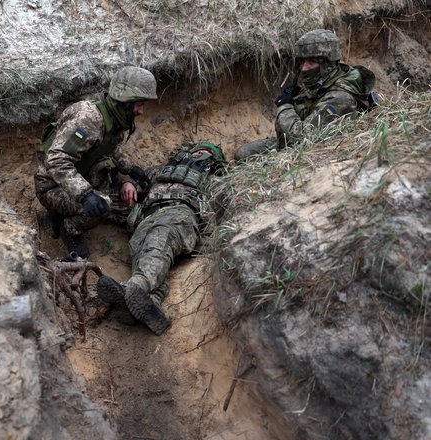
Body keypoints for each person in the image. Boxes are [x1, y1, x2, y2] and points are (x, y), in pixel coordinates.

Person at [96, 141, 228, 335]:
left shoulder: (215, 179)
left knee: (159, 239)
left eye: (208, 151)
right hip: (147, 216)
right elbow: (134, 182)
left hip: (181, 213)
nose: (200, 152)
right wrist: (128, 184)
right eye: (198, 149)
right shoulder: (159, 172)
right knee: (142, 247)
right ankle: (149, 302)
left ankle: (135, 285)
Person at [34, 66, 158, 258]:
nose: (141, 111)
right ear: (125, 100)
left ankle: (60, 215)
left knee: (126, 204)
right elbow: (57, 159)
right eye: (139, 104)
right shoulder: (88, 119)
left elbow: (109, 149)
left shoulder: (115, 119)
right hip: (51, 186)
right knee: (103, 206)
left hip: (79, 178)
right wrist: (85, 195)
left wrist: (131, 169)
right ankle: (69, 229)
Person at [234, 29, 377, 161]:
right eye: (303, 61)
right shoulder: (323, 80)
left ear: (327, 63)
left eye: (311, 62)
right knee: (243, 153)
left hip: (317, 150)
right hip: (301, 140)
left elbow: (300, 138)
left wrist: (285, 105)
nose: (304, 68)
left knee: (247, 157)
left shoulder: (340, 98)